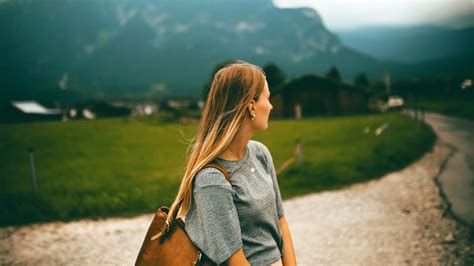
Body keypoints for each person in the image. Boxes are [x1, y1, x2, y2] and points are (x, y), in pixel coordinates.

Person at [167, 60, 297, 265]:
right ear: (251, 106)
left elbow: (281, 222)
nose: (271, 106)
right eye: (268, 98)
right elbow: (234, 261)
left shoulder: (260, 154)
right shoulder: (211, 180)